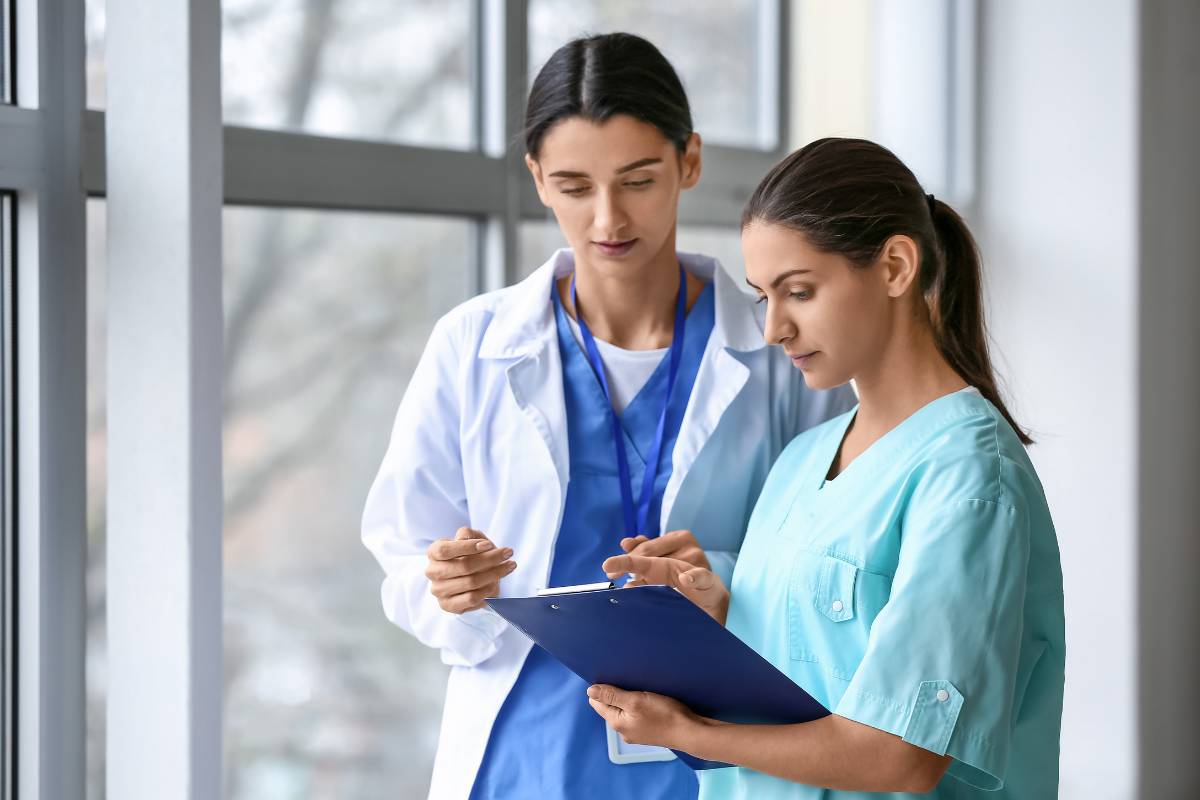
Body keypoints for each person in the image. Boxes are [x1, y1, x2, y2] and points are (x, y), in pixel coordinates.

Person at [360, 34, 855, 799]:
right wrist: (446, 586)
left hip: (718, 750)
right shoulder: (473, 345)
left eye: (638, 179)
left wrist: (722, 579)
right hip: (526, 754)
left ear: (689, 162)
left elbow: (836, 561)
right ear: (536, 179)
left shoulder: (778, 350)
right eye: (573, 185)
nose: (607, 217)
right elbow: (403, 550)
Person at [590, 137, 1066, 799]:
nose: (775, 329)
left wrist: (688, 732)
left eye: (800, 292)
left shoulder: (969, 479)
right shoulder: (804, 457)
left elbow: (901, 756)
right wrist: (722, 603)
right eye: (763, 298)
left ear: (896, 266)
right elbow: (810, 656)